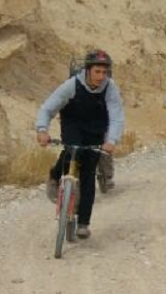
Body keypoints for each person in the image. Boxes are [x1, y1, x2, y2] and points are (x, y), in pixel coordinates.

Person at [36, 49, 126, 240]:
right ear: (88, 70)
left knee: (88, 175)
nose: (101, 77)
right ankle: (55, 176)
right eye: (97, 72)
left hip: (96, 129)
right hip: (73, 125)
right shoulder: (71, 85)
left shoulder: (110, 88)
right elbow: (48, 107)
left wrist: (111, 140)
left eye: (104, 72)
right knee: (71, 150)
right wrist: (42, 129)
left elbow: (117, 116)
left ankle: (84, 223)